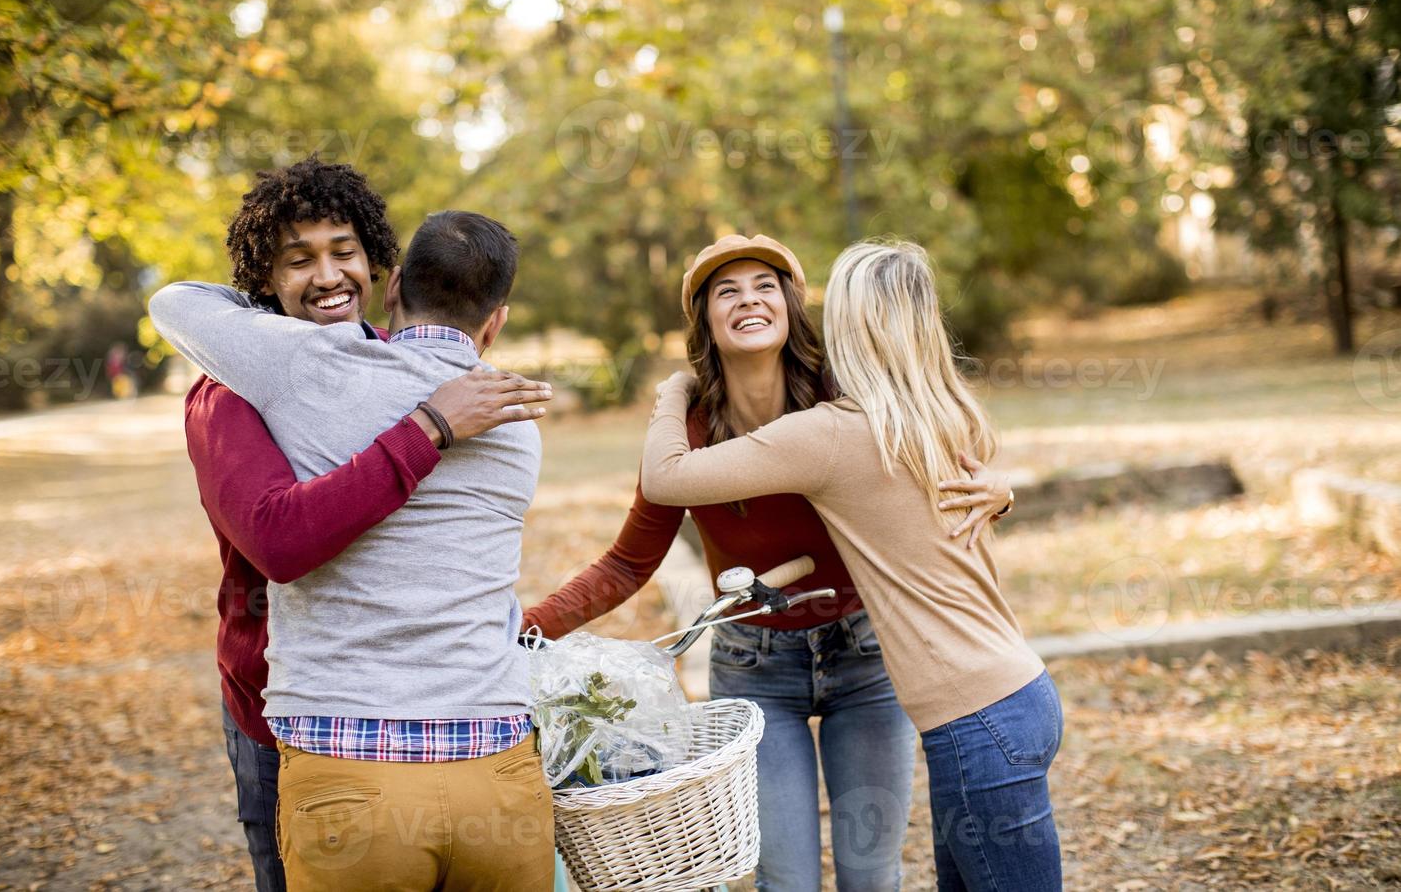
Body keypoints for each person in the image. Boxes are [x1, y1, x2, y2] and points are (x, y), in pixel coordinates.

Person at [523, 234, 1013, 891]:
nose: (748, 300)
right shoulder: (688, 437)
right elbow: (625, 563)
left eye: (765, 286)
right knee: (786, 881)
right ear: (705, 321)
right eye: (727, 290)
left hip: (867, 655)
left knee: (871, 875)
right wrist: (527, 631)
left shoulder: (843, 400)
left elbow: (936, 432)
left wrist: (999, 488)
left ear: (790, 306)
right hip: (757, 667)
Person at [151, 205, 556, 891]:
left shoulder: (320, 368)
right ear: (498, 321)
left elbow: (175, 302)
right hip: (274, 709)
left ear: (386, 279)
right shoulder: (236, 388)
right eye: (296, 260)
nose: (327, 275)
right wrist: (429, 426)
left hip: (361, 739)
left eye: (343, 252)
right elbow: (281, 540)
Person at [639, 239, 1063, 892]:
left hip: (977, 726)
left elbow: (666, 477)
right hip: (1014, 697)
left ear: (849, 327)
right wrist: (1004, 491)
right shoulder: (942, 414)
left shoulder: (830, 432)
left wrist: (673, 392)